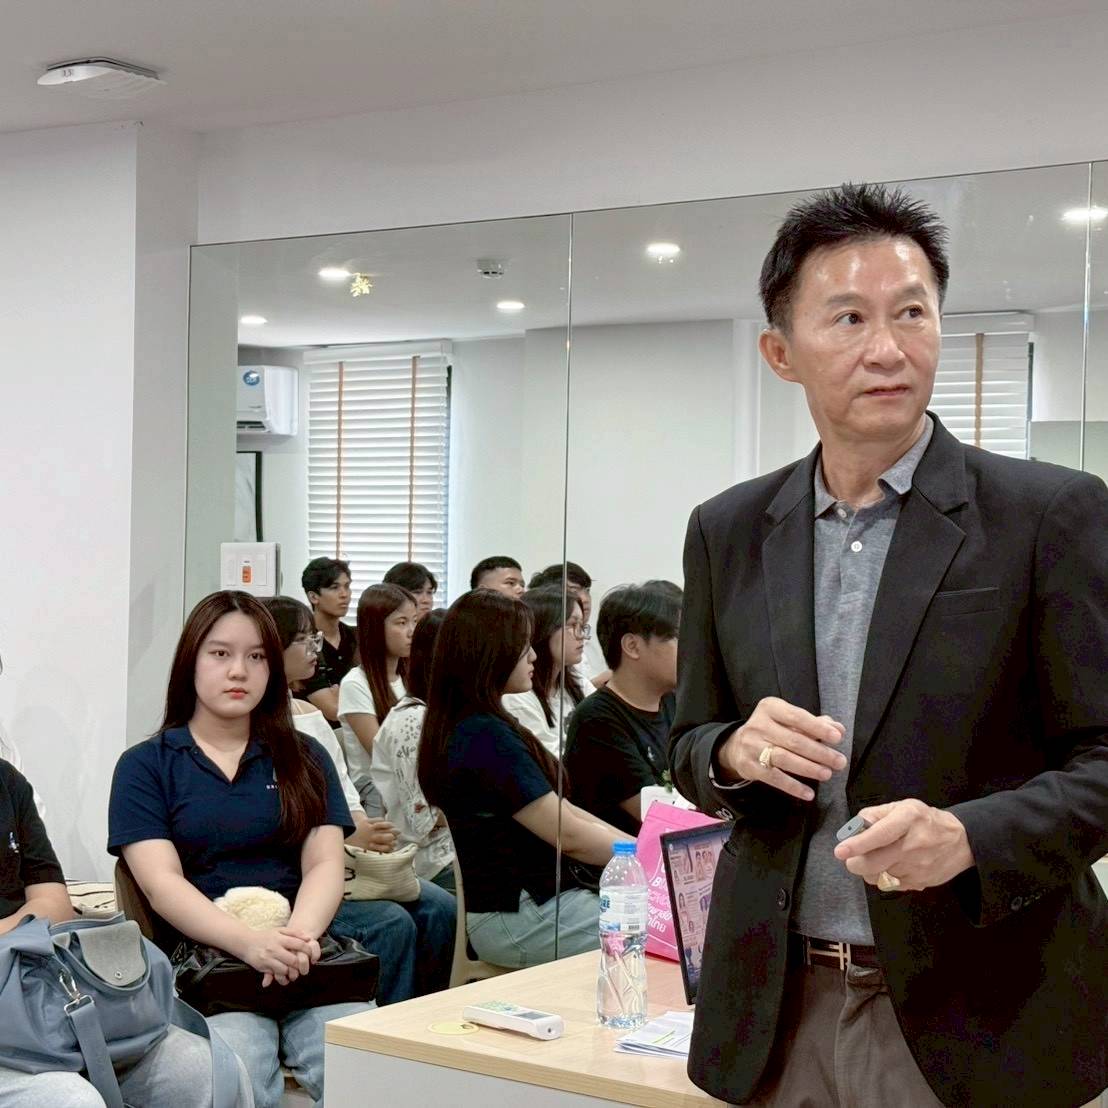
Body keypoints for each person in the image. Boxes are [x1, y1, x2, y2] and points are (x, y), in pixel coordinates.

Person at [670, 183, 1108, 1108]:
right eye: (849, 318)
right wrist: (733, 752)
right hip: (774, 1006)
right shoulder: (728, 528)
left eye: (912, 312)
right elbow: (690, 741)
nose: (888, 348)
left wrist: (971, 837)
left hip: (982, 1006)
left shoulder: (1047, 514)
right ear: (781, 353)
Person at [107, 590, 371, 1108]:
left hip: (306, 958)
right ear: (191, 661)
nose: (239, 671)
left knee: (365, 1065)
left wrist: (296, 940)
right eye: (221, 653)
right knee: (236, 1073)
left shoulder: (305, 756)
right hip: (208, 969)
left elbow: (325, 862)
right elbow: (161, 884)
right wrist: (250, 944)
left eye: (256, 657)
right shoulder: (146, 765)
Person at [418, 590, 631, 968]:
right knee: (661, 930)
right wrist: (645, 855)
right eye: (522, 647)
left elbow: (566, 812)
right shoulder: (482, 736)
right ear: (490, 653)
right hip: (519, 914)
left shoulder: (484, 724)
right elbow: (571, 835)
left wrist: (641, 849)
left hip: (539, 902)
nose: (533, 656)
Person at [260, 596, 456, 1006]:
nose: (314, 649)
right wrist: (349, 832)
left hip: (345, 851)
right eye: (303, 640)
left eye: (314, 639)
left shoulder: (310, 716)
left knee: (440, 907)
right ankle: (385, 1022)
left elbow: (343, 789)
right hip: (306, 868)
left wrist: (358, 825)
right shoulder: (266, 723)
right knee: (392, 922)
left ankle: (425, 1011)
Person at [563, 581, 681, 833]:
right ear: (632, 646)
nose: (690, 650)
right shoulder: (597, 720)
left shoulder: (673, 701)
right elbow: (658, 814)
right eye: (678, 637)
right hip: (628, 855)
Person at [369, 608, 455, 891]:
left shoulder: (452, 714)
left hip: (462, 849)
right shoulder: (412, 721)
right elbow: (423, 817)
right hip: (430, 862)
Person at [337, 584, 415, 818]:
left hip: (412, 785)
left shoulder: (412, 677)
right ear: (375, 629)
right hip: (376, 793)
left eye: (414, 621)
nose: (412, 631)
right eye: (401, 623)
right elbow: (382, 753)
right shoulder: (355, 683)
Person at [502, 586, 594, 759]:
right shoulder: (517, 695)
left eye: (582, 626)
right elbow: (550, 762)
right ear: (544, 628)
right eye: (573, 625)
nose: (581, 635)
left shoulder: (579, 683)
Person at [298, 558, 358, 725]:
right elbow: (332, 710)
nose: (344, 594)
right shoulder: (305, 644)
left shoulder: (356, 637)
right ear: (313, 597)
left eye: (347, 586)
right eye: (334, 587)